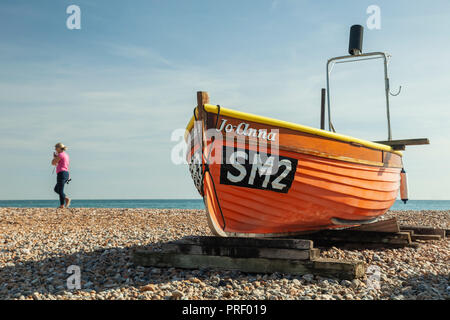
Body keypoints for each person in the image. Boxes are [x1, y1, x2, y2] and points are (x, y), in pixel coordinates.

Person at [52, 142, 71, 208]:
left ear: (59, 148)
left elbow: (53, 163)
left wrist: (55, 157)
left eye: (56, 148)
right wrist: (56, 157)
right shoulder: (66, 155)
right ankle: (66, 199)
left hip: (62, 173)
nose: (55, 149)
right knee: (56, 189)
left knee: (60, 190)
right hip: (66, 173)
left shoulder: (60, 155)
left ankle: (62, 205)